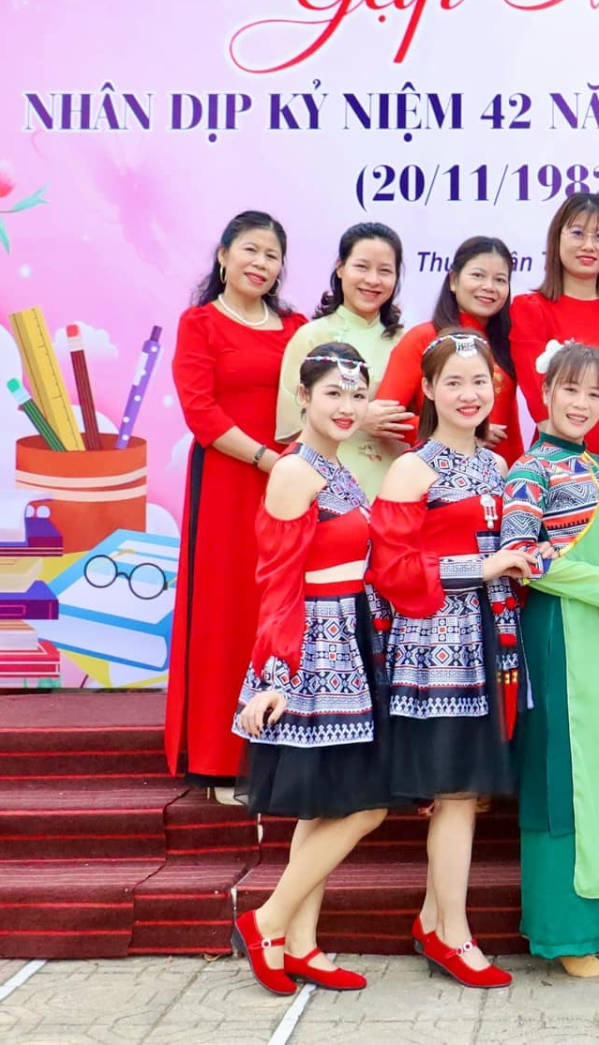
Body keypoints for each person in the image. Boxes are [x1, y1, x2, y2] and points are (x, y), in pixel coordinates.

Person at [368, 329, 535, 990]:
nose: (470, 394)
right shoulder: (412, 468)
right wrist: (484, 567)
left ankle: (435, 920)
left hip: (493, 643)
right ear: (429, 390)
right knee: (456, 795)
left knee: (463, 795)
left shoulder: (498, 465)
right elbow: (391, 569)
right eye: (454, 382)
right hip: (437, 653)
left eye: (480, 382)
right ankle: (453, 935)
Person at [231, 343, 397, 997]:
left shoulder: (337, 467)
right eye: (333, 393)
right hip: (313, 651)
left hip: (347, 642)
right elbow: (277, 581)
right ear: (303, 397)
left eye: (357, 394)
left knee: (323, 808)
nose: (347, 406)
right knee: (366, 806)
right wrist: (275, 676)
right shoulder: (296, 472)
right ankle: (267, 920)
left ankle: (299, 943)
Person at [500, 343, 599, 979]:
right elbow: (518, 554)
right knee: (564, 777)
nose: (582, 403)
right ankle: (562, 933)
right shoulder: (530, 470)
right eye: (571, 389)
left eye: (595, 393)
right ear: (546, 392)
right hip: (559, 633)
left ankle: (593, 924)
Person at [167, 210, 306, 794]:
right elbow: (200, 411)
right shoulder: (200, 324)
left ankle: (284, 756)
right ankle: (220, 759)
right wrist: (265, 459)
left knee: (280, 610)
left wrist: (292, 464)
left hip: (291, 484)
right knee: (227, 611)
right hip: (229, 481)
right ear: (223, 256)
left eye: (272, 255)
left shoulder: (296, 327)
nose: (261, 263)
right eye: (250, 250)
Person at [276, 222, 415, 499]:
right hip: (326, 483)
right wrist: (360, 417)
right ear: (340, 268)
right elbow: (291, 424)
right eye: (362, 267)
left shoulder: (407, 341)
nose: (373, 280)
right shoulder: (312, 337)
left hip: (395, 485)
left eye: (385, 271)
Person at [510, 193, 599, 469]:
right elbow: (538, 398)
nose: (588, 245)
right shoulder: (531, 309)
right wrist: (572, 469)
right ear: (557, 238)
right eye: (577, 233)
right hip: (554, 459)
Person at [380, 236, 524, 467]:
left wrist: (518, 474)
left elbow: (511, 429)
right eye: (478, 275)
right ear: (454, 280)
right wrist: (463, 431)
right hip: (435, 471)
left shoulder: (505, 343)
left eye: (500, 279)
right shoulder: (421, 338)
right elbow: (387, 420)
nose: (489, 287)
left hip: (496, 474)